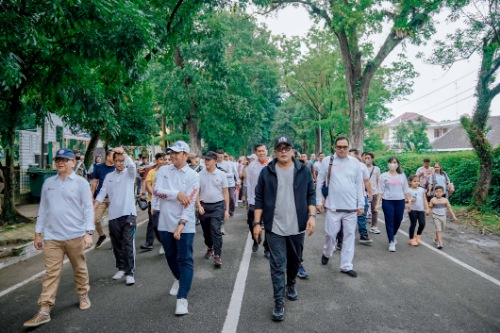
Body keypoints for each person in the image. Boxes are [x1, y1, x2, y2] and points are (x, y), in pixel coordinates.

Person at [24, 148, 94, 328]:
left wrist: (88, 233)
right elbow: (43, 209)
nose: (60, 162)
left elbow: (88, 208)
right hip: (53, 237)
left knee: (79, 268)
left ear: (73, 162)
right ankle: (44, 309)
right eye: (58, 159)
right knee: (51, 273)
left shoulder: (81, 183)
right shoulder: (48, 183)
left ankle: (83, 294)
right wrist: (38, 233)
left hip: (76, 235)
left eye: (64, 159)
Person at [253, 136, 316, 321]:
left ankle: (291, 284)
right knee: (277, 265)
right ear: (275, 151)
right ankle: (278, 301)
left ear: (291, 150)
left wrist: (312, 216)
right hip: (275, 227)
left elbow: (311, 193)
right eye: (279, 148)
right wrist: (257, 224)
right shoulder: (267, 172)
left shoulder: (303, 169)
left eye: (286, 147)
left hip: (297, 227)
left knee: (294, 261)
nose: (283, 151)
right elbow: (259, 198)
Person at [152, 141, 199, 316]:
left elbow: (190, 201)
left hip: (185, 224)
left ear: (186, 155)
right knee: (170, 255)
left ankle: (182, 299)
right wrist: (176, 194)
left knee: (185, 258)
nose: (172, 156)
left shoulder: (193, 175)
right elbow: (157, 191)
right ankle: (179, 279)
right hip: (164, 222)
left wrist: (181, 224)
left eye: (176, 153)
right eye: (171, 153)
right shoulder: (163, 170)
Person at [316, 137, 364, 278]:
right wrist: (319, 201)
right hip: (333, 207)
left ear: (349, 147)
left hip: (351, 208)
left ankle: (346, 266)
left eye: (344, 147)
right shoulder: (327, 161)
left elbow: (359, 184)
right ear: (335, 147)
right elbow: (319, 182)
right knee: (330, 235)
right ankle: (327, 252)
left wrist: (360, 204)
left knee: (349, 236)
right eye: (339, 147)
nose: (342, 149)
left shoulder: (355, 163)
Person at [94, 147, 137, 285]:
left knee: (128, 243)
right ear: (113, 162)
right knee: (116, 243)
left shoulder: (129, 174)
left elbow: (131, 166)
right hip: (114, 215)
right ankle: (121, 268)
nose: (120, 163)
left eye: (122, 160)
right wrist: (92, 208)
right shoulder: (109, 177)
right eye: (117, 161)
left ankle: (130, 272)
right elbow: (101, 193)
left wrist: (123, 152)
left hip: (128, 213)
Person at [197, 151, 230, 267]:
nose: (206, 162)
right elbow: (197, 192)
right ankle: (210, 247)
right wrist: (199, 206)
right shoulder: (200, 174)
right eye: (205, 159)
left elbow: (226, 193)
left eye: (209, 160)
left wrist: (226, 210)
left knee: (216, 230)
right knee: (206, 232)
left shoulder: (222, 175)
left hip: (218, 206)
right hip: (204, 207)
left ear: (215, 161)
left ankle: (217, 255)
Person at [376, 157, 411, 252]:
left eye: (394, 162)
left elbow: (406, 189)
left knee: (398, 220)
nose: (392, 164)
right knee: (389, 221)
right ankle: (391, 241)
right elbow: (380, 191)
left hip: (400, 201)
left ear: (398, 164)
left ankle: (394, 234)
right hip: (387, 201)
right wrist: (377, 203)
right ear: (388, 164)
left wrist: (409, 202)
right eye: (391, 162)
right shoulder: (383, 176)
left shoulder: (402, 175)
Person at [246, 144, 271, 257]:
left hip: (269, 200)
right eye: (259, 151)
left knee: (270, 225)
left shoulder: (272, 164)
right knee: (252, 222)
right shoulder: (252, 165)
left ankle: (267, 247)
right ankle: (255, 240)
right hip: (255, 199)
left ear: (267, 151)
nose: (261, 153)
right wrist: (249, 199)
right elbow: (249, 183)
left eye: (263, 151)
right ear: (256, 153)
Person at [139, 152, 166, 251]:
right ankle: (150, 243)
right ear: (156, 161)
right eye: (161, 159)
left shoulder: (170, 171)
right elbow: (148, 184)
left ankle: (167, 242)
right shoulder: (152, 171)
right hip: (153, 201)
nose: (163, 162)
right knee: (153, 223)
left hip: (166, 202)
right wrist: (155, 194)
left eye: (164, 159)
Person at [90, 149, 116, 248]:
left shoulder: (116, 168)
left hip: (114, 198)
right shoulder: (98, 167)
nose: (115, 159)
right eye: (113, 156)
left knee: (113, 221)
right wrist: (91, 196)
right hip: (101, 198)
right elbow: (95, 183)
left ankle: (114, 241)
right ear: (108, 157)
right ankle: (101, 236)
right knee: (96, 219)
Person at [348, 148, 373, 245]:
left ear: (356, 156)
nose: (349, 156)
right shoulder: (343, 166)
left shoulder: (362, 166)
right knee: (349, 217)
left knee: (362, 217)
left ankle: (363, 235)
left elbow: (366, 181)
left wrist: (370, 193)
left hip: (361, 196)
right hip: (348, 196)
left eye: (351, 155)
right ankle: (346, 236)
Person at [216, 149, 241, 218]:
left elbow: (231, 174)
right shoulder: (214, 163)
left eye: (221, 157)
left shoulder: (227, 164)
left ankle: (231, 211)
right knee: (221, 199)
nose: (220, 159)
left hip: (230, 184)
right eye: (218, 157)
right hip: (219, 184)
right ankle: (223, 211)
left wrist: (221, 173)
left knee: (231, 198)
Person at [407, 175, 429, 246]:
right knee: (413, 224)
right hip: (412, 209)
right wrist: (410, 200)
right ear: (410, 182)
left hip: (421, 209)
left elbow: (425, 199)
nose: (416, 183)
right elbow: (405, 200)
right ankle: (411, 239)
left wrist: (427, 208)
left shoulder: (421, 189)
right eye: (414, 181)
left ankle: (418, 235)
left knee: (422, 223)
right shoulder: (408, 190)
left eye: (418, 181)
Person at [364, 152, 381, 234]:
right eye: (366, 158)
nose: (367, 159)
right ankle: (362, 227)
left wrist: (378, 191)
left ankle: (374, 226)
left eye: (368, 158)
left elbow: (378, 180)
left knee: (374, 210)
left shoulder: (376, 169)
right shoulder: (362, 168)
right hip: (364, 192)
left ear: (372, 159)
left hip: (374, 192)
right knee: (363, 210)